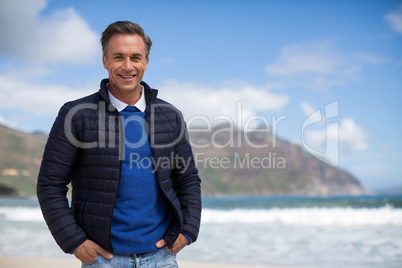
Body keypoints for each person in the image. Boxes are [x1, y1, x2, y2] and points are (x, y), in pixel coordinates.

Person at [37, 21, 202, 267]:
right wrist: (74, 242)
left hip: (162, 258)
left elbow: (187, 179)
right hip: (103, 260)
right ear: (105, 61)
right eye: (118, 57)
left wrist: (188, 231)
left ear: (146, 62)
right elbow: (50, 184)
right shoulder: (76, 113)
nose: (128, 66)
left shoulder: (171, 116)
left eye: (136, 57)